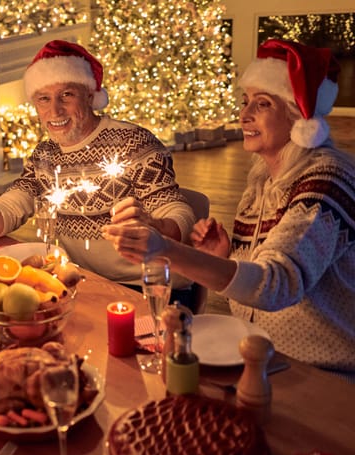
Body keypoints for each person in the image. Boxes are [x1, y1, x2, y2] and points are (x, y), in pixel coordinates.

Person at [103, 39, 355, 376]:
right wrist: (222, 259)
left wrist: (167, 250)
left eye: (262, 104)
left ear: (299, 116)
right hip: (258, 357)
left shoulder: (327, 179)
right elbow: (252, 300)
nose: (244, 115)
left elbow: (274, 285)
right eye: (245, 101)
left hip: (323, 377)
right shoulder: (262, 182)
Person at [0, 40, 196, 303]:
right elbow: (17, 200)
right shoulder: (45, 154)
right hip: (84, 283)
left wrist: (156, 226)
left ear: (89, 95)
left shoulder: (133, 143)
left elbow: (180, 213)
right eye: (44, 99)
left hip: (150, 290)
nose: (55, 110)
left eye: (66, 95)